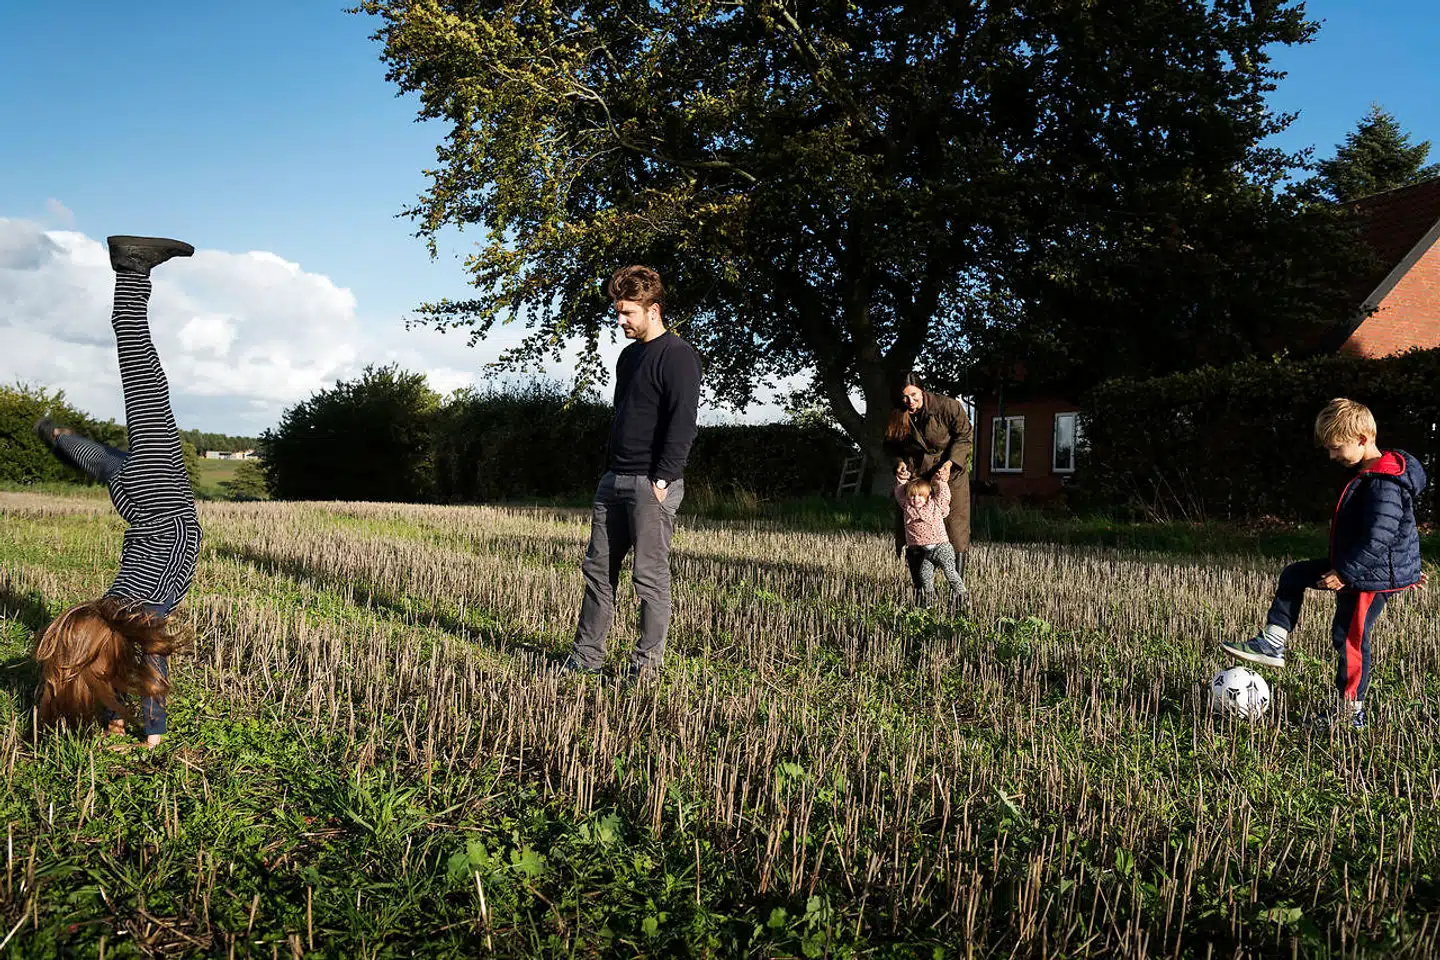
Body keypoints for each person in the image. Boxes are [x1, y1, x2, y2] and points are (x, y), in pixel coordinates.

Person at [31, 235, 203, 749]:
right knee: (108, 463)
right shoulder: (111, 607)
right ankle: (57, 436)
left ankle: (131, 268)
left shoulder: (141, 618)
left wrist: (155, 731)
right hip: (137, 505)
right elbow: (110, 666)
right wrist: (112, 714)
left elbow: (153, 664)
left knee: (144, 378)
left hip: (158, 497)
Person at [1220, 398, 1428, 729]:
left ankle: (1350, 713)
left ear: (1362, 439)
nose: (1332, 456)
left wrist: (1346, 572)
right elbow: (1397, 534)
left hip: (1365, 577)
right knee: (1294, 575)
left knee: (1349, 639)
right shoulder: (1368, 474)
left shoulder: (1383, 482)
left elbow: (1381, 536)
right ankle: (1272, 643)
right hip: (1362, 568)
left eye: (1336, 448)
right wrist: (1406, 569)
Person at [561, 266, 701, 681]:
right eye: (618, 313)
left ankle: (645, 670)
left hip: (650, 483)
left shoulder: (678, 355)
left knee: (649, 578)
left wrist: (662, 479)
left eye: (627, 313)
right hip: (614, 480)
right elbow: (624, 414)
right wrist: (609, 470)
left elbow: (682, 423)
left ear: (653, 310)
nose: (620, 321)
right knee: (597, 572)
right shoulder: (628, 356)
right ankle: (585, 659)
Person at [883, 373, 974, 571]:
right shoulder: (896, 412)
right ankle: (921, 586)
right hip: (916, 475)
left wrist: (950, 463)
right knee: (914, 527)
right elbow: (890, 445)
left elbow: (964, 435)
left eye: (914, 395)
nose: (910, 401)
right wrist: (899, 463)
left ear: (922, 391)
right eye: (905, 397)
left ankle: (956, 586)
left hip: (949, 474)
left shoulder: (948, 406)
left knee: (955, 529)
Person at [894, 462, 968, 606]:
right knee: (924, 574)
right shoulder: (907, 507)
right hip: (929, 553)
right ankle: (930, 599)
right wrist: (902, 480)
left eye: (920, 496)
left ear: (927, 496)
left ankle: (962, 593)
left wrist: (941, 481)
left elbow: (944, 496)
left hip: (942, 548)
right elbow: (899, 493)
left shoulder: (935, 506)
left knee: (950, 572)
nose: (916, 499)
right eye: (912, 496)